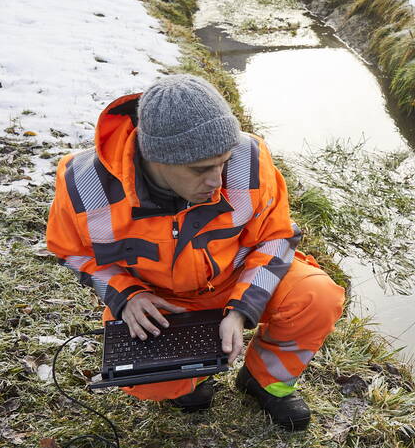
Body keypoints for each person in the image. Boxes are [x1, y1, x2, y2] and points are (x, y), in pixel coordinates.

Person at [45, 74, 345, 428]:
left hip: (236, 280)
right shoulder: (85, 183)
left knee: (317, 296)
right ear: (156, 158)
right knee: (149, 383)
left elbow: (275, 237)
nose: (217, 181)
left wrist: (241, 310)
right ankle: (190, 382)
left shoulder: (249, 158)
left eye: (223, 161)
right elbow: (75, 253)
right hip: (162, 302)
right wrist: (126, 296)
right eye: (201, 169)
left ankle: (264, 382)